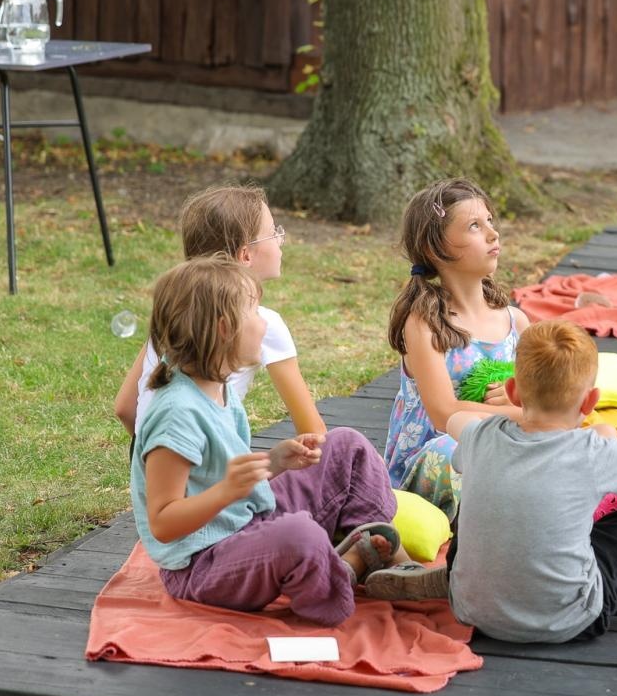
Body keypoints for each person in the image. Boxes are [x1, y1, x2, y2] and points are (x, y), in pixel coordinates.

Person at [130, 255, 434, 627]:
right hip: (203, 566)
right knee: (300, 534)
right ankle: (344, 572)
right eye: (256, 313)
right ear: (225, 329)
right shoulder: (176, 413)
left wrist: (272, 464)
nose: (263, 323)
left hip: (244, 522)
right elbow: (162, 521)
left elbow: (212, 473)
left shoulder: (215, 386)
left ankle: (381, 554)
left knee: (345, 446)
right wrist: (228, 490)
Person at [431, 319, 617, 643]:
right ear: (591, 401)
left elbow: (455, 419)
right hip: (570, 617)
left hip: (472, 612)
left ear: (512, 391)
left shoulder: (482, 435)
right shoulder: (594, 453)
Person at [114, 184, 323, 439]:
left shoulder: (176, 312)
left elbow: (125, 408)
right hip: (217, 473)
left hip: (157, 471)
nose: (280, 239)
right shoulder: (262, 324)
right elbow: (314, 436)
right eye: (273, 233)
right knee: (345, 446)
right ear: (246, 254)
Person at [383, 178, 531, 513]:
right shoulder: (426, 323)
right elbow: (443, 414)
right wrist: (523, 413)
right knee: (460, 451)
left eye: (490, 221)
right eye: (475, 226)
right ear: (437, 248)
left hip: (504, 444)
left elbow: (546, 393)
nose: (493, 233)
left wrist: (520, 392)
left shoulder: (515, 323)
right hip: (434, 460)